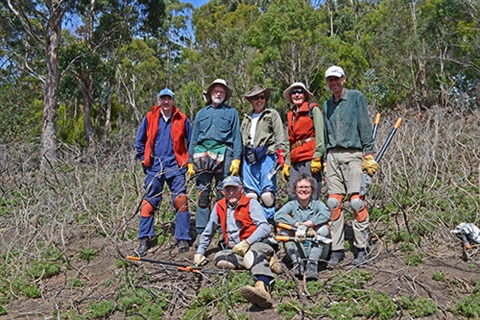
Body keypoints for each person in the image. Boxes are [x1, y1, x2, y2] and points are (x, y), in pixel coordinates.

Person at [322, 66, 379, 266]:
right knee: (334, 204)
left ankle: (361, 248)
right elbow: (325, 133)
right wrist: (322, 159)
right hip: (332, 156)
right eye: (330, 80)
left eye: (337, 79)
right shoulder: (326, 104)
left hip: (353, 153)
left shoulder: (356, 97)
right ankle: (336, 250)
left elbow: (364, 124)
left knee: (357, 202)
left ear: (343, 79)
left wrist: (368, 154)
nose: (334, 83)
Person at [193, 176, 278, 308]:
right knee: (220, 259)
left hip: (256, 243)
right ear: (223, 192)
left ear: (241, 189)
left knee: (252, 254)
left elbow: (265, 227)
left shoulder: (251, 203)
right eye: (228, 190)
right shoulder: (219, 206)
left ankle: (263, 288)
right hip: (235, 249)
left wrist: (247, 242)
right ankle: (265, 260)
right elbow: (209, 230)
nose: (231, 192)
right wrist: (200, 252)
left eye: (234, 189)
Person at [134, 88, 192, 256]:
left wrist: (188, 161)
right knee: (148, 203)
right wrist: (144, 160)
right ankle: (144, 238)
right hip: (154, 167)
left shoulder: (182, 118)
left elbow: (192, 139)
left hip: (176, 167)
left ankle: (182, 238)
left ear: (173, 100)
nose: (166, 102)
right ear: (159, 100)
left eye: (169, 99)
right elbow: (139, 141)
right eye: (163, 99)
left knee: (181, 200)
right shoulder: (150, 117)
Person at [187, 79, 242, 236]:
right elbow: (194, 138)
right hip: (202, 154)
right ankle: (201, 231)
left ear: (225, 95)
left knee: (222, 192)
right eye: (216, 91)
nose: (219, 94)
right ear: (210, 93)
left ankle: (223, 229)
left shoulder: (232, 113)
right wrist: (190, 161)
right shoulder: (201, 114)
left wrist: (236, 159)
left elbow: (236, 136)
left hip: (225, 153)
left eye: (222, 92)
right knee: (202, 193)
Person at [240, 84, 286, 224]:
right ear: (251, 100)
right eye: (255, 98)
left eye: (261, 97)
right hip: (249, 157)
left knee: (267, 194)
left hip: (267, 154)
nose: (259, 100)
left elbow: (279, 135)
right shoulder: (247, 117)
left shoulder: (271, 114)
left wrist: (281, 154)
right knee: (251, 194)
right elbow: (241, 137)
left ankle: (269, 221)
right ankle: (254, 222)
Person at [274, 174, 330, 281]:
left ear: (312, 190)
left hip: (318, 251)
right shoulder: (291, 205)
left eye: (306, 187)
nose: (303, 190)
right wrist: (297, 225)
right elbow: (278, 216)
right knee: (283, 231)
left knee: (324, 229)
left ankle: (312, 265)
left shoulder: (318, 204)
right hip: (297, 246)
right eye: (300, 187)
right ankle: (297, 263)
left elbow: (326, 214)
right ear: (295, 190)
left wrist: (308, 225)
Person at [282, 82, 325, 201]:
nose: (296, 95)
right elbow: (288, 141)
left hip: (309, 158)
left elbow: (320, 134)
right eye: (293, 92)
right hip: (295, 160)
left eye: (299, 92)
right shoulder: (290, 114)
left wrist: (317, 156)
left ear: (305, 95)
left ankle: (312, 219)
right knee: (293, 195)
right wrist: (287, 162)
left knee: (310, 193)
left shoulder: (313, 110)